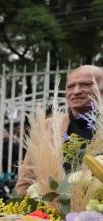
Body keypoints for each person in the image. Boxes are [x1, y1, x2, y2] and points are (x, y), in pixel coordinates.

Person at [15, 64, 103, 195]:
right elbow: (25, 180)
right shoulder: (48, 126)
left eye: (86, 84)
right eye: (70, 87)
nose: (76, 91)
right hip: (50, 213)